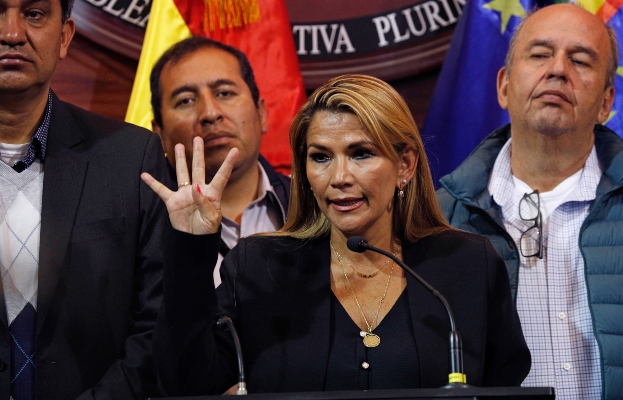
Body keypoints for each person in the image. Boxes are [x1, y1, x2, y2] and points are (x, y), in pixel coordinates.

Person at [142, 74, 531, 396]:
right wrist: (191, 248)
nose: (339, 177)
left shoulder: (467, 266)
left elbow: (504, 386)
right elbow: (186, 382)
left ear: (405, 166)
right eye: (321, 157)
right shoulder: (259, 267)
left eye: (361, 153)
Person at [436, 4, 623, 399]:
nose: (557, 70)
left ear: (607, 102)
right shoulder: (439, 217)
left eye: (581, 60)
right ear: (503, 86)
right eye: (539, 55)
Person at [0, 0, 167, 398]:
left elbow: (156, 327)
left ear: (65, 36)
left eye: (34, 14)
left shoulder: (130, 158)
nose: (11, 34)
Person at [150, 37, 290, 286]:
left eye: (224, 93)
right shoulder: (140, 230)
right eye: (186, 100)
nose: (210, 113)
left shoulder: (314, 207)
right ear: (158, 133)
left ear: (261, 113)